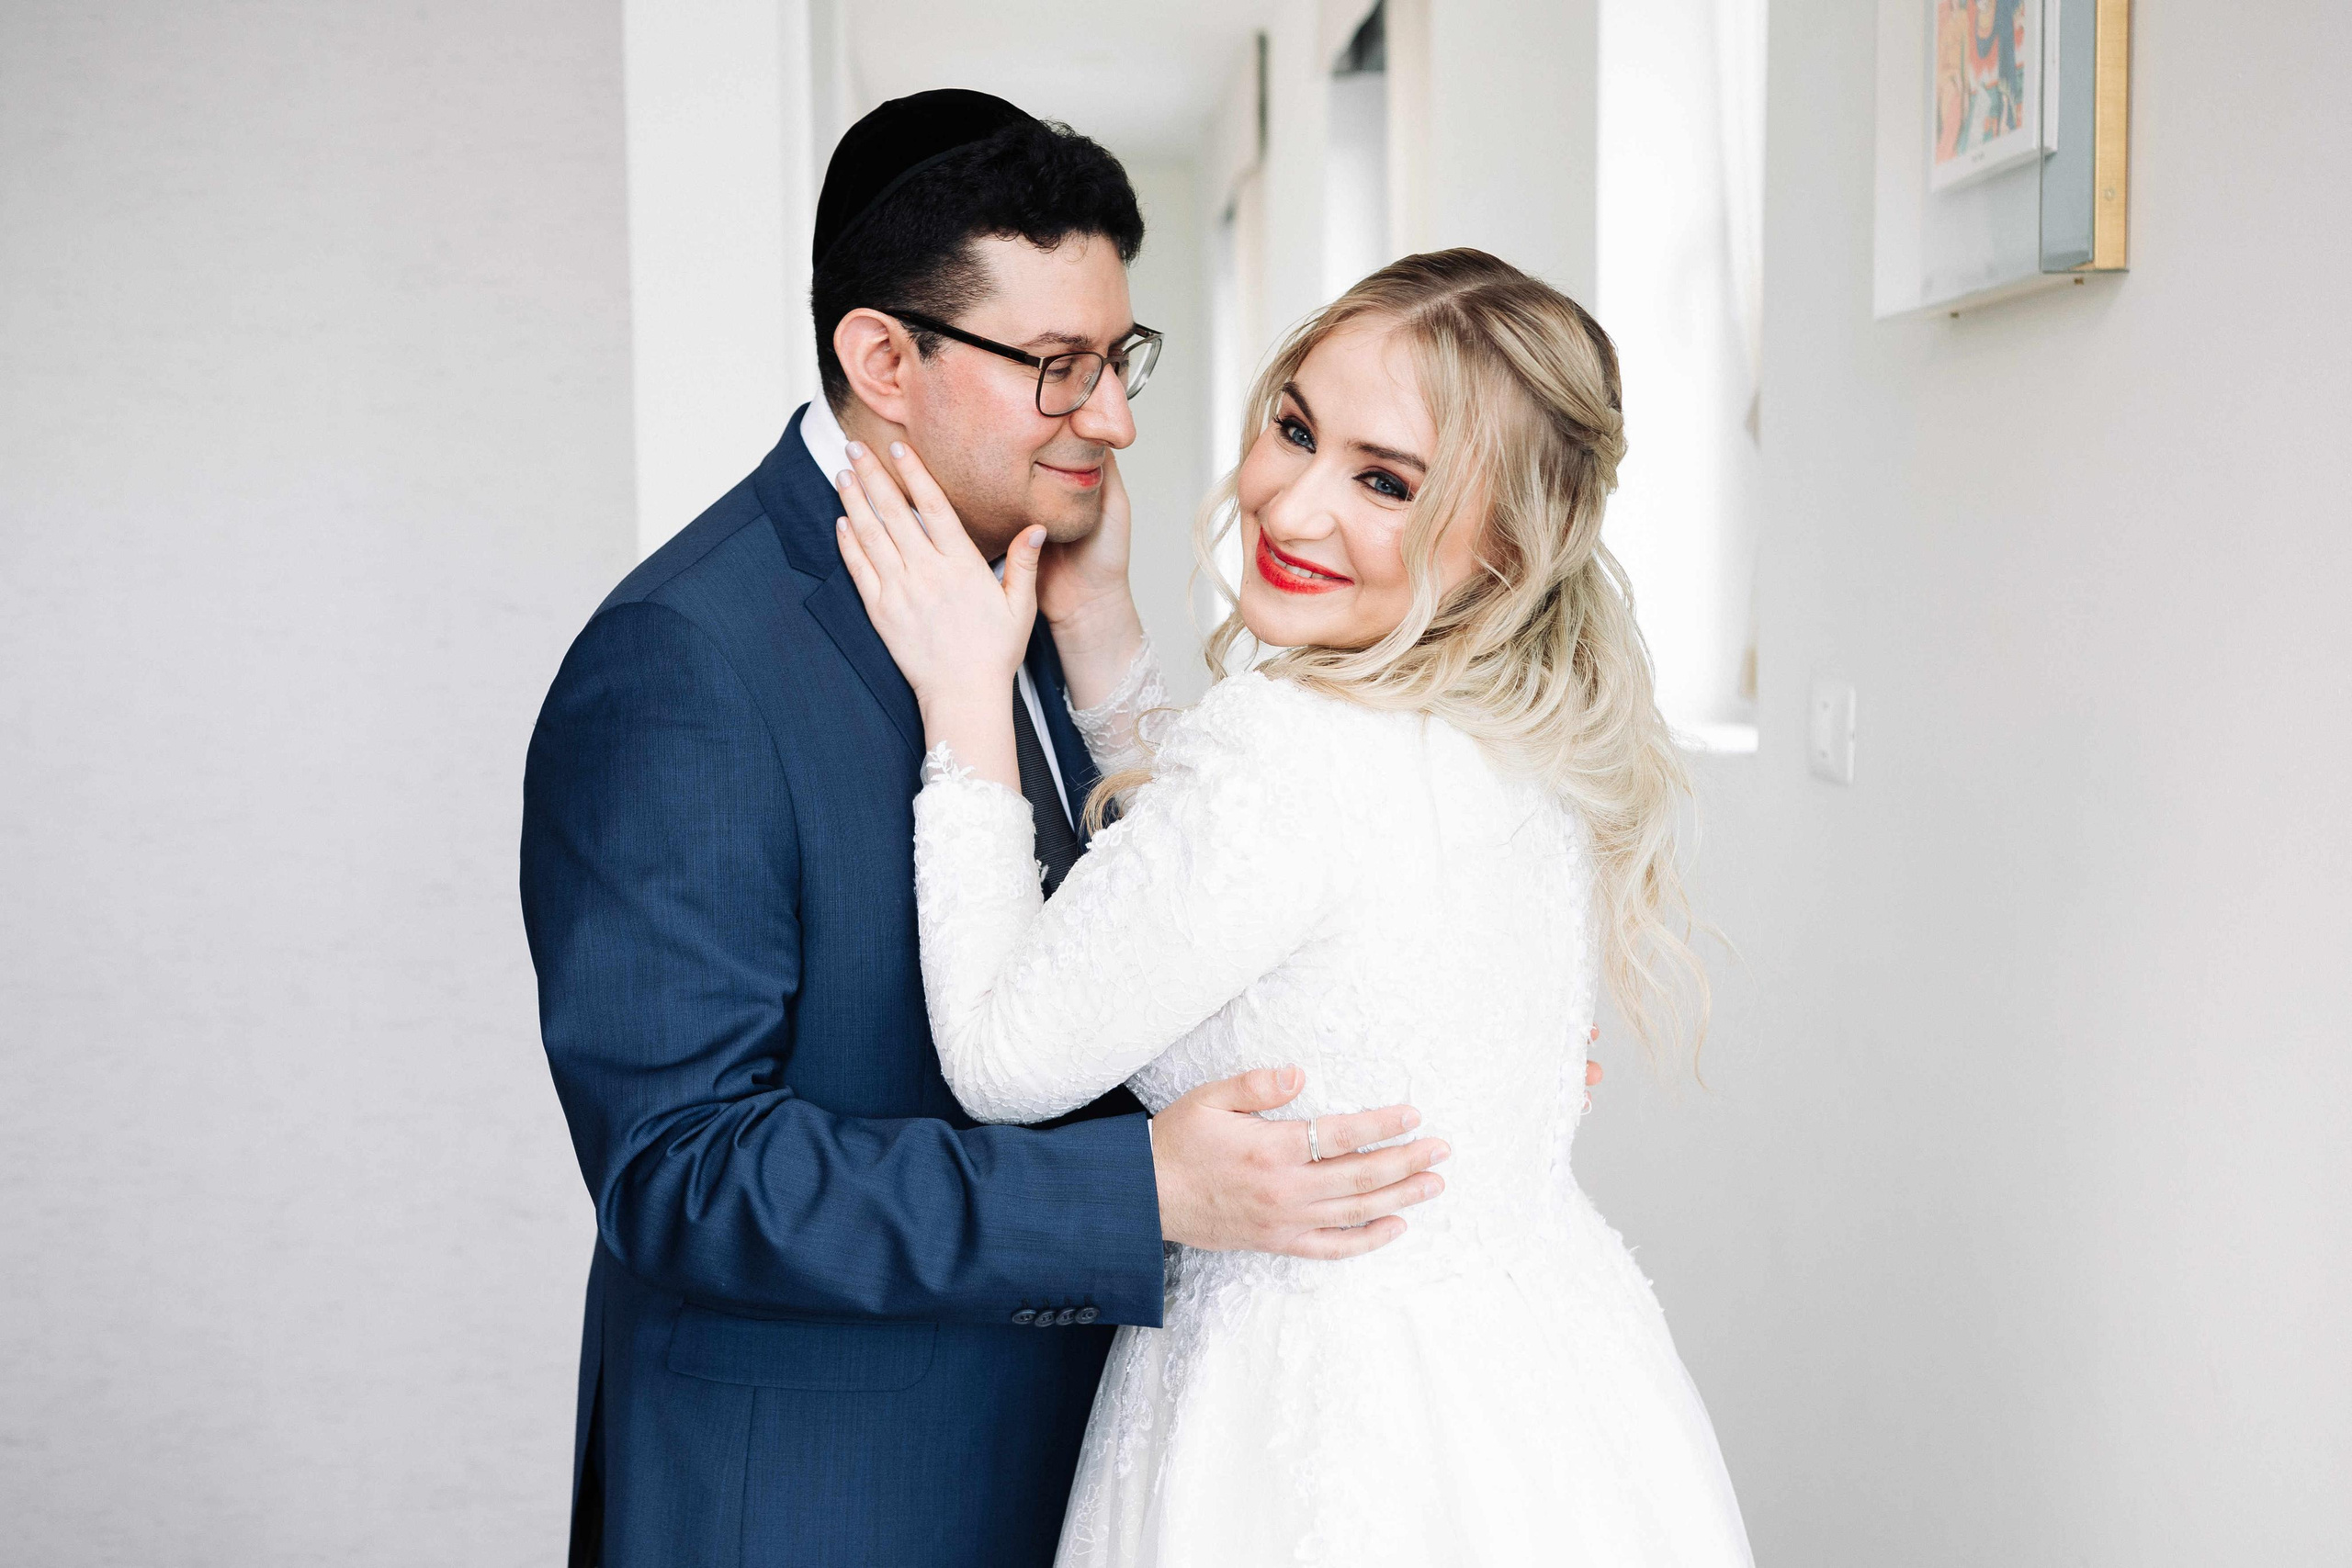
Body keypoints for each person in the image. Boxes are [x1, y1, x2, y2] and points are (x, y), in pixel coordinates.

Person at [520, 91, 1487, 1567]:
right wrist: (1141, 1192)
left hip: (1087, 1460)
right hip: (819, 1492)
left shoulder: (1043, 572)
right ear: (882, 357)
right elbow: (684, 1170)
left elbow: (1164, 926)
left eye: (1118, 358)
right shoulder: (684, 659)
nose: (1116, 418)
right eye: (1056, 368)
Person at [834, 248, 1755, 1564]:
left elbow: (1002, 1054)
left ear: (1505, 544)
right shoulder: (1515, 721)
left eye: (1383, 481)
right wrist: (1097, 619)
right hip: (1542, 1390)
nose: (1293, 503)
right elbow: (1220, 886)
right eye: (1295, 428)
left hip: (1309, 1414)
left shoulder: (1295, 750)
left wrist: (966, 698)